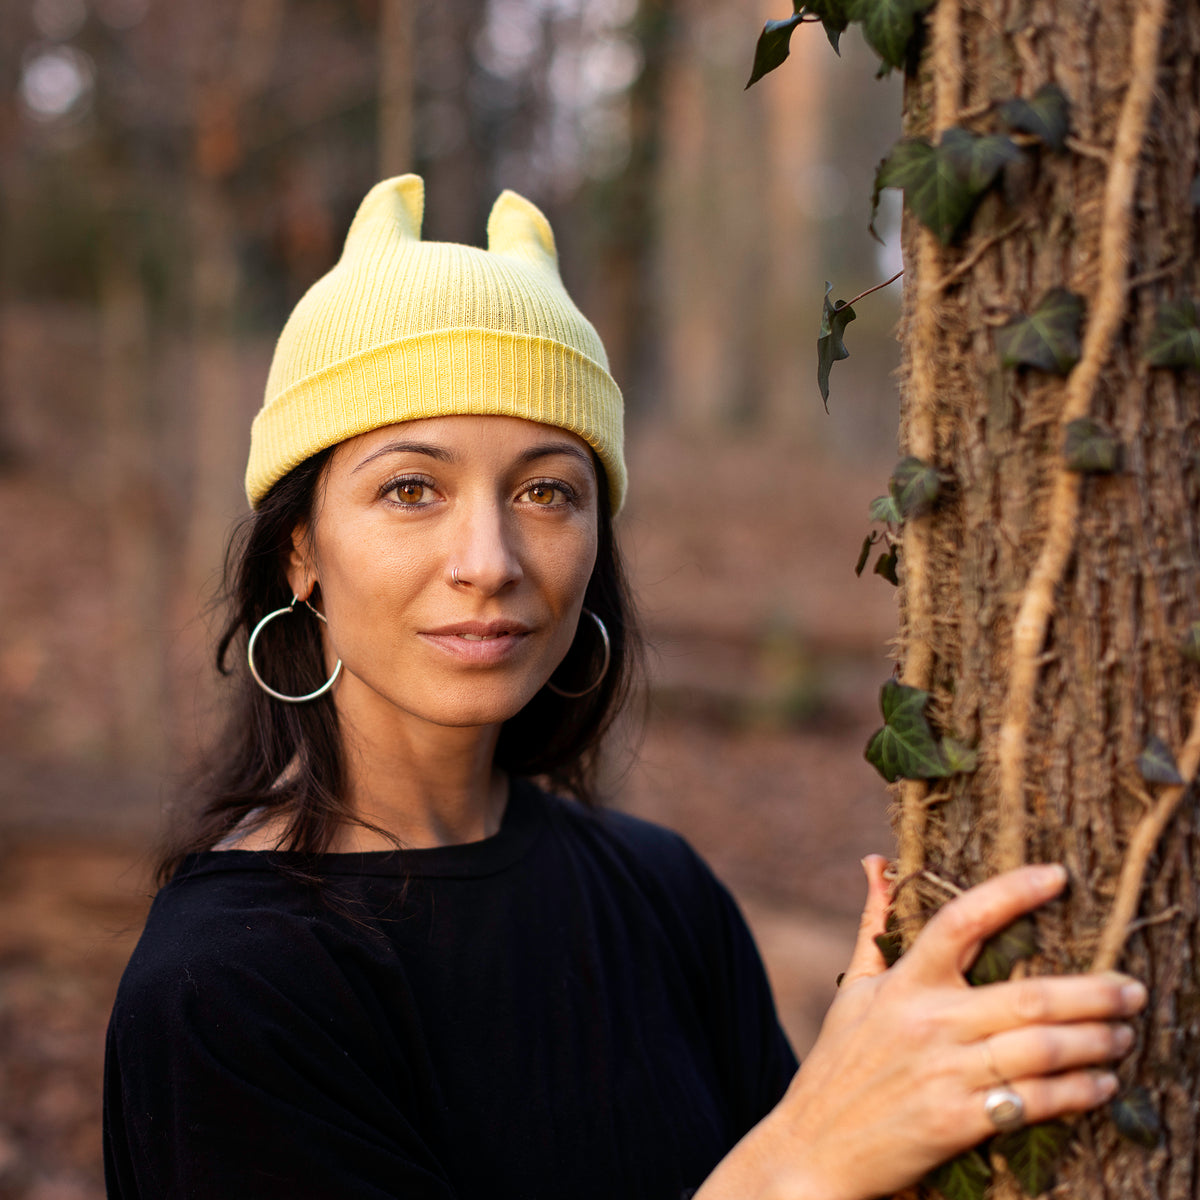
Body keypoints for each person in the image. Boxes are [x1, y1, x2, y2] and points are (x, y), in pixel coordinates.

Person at [102, 175, 1145, 1200]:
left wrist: (878, 1105)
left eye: (548, 490)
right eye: (410, 489)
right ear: (300, 551)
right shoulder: (225, 989)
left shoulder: (660, 892)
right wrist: (806, 1157)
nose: (490, 558)